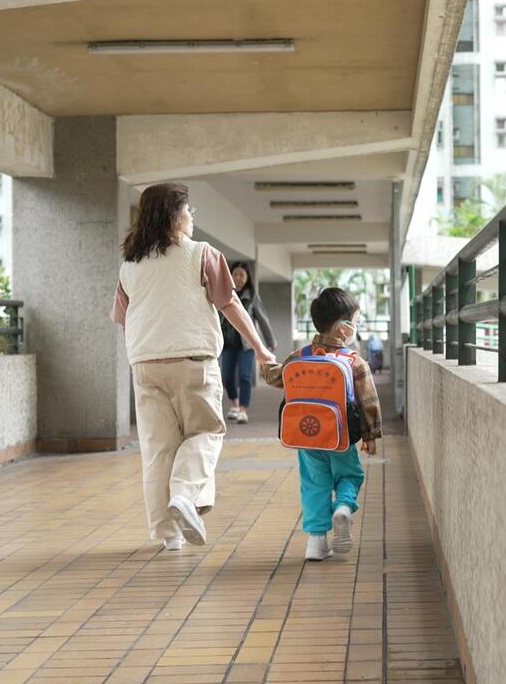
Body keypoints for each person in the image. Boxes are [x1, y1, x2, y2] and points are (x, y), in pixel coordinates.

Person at [110, 182, 275, 552]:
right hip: (192, 361)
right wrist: (261, 350)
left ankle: (169, 536)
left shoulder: (130, 265)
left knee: (158, 449)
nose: (192, 216)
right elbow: (230, 304)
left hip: (144, 364)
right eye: (189, 210)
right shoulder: (201, 254)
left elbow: (123, 317)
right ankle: (185, 493)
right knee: (206, 432)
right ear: (174, 215)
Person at [261, 287, 382, 561]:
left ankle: (316, 543)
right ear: (342, 330)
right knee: (349, 476)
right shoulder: (353, 362)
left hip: (306, 438)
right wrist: (370, 436)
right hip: (340, 438)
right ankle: (342, 507)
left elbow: (276, 378)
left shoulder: (300, 356)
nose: (356, 329)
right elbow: (369, 401)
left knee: (314, 485)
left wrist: (264, 362)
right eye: (355, 323)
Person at [219, 262, 276, 424]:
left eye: (241, 275)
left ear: (247, 278)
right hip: (228, 342)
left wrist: (270, 341)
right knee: (227, 377)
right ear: (230, 276)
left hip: (247, 345)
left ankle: (243, 409)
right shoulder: (222, 292)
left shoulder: (252, 296)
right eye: (235, 274)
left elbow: (262, 319)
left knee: (245, 376)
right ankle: (234, 405)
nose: (238, 278)